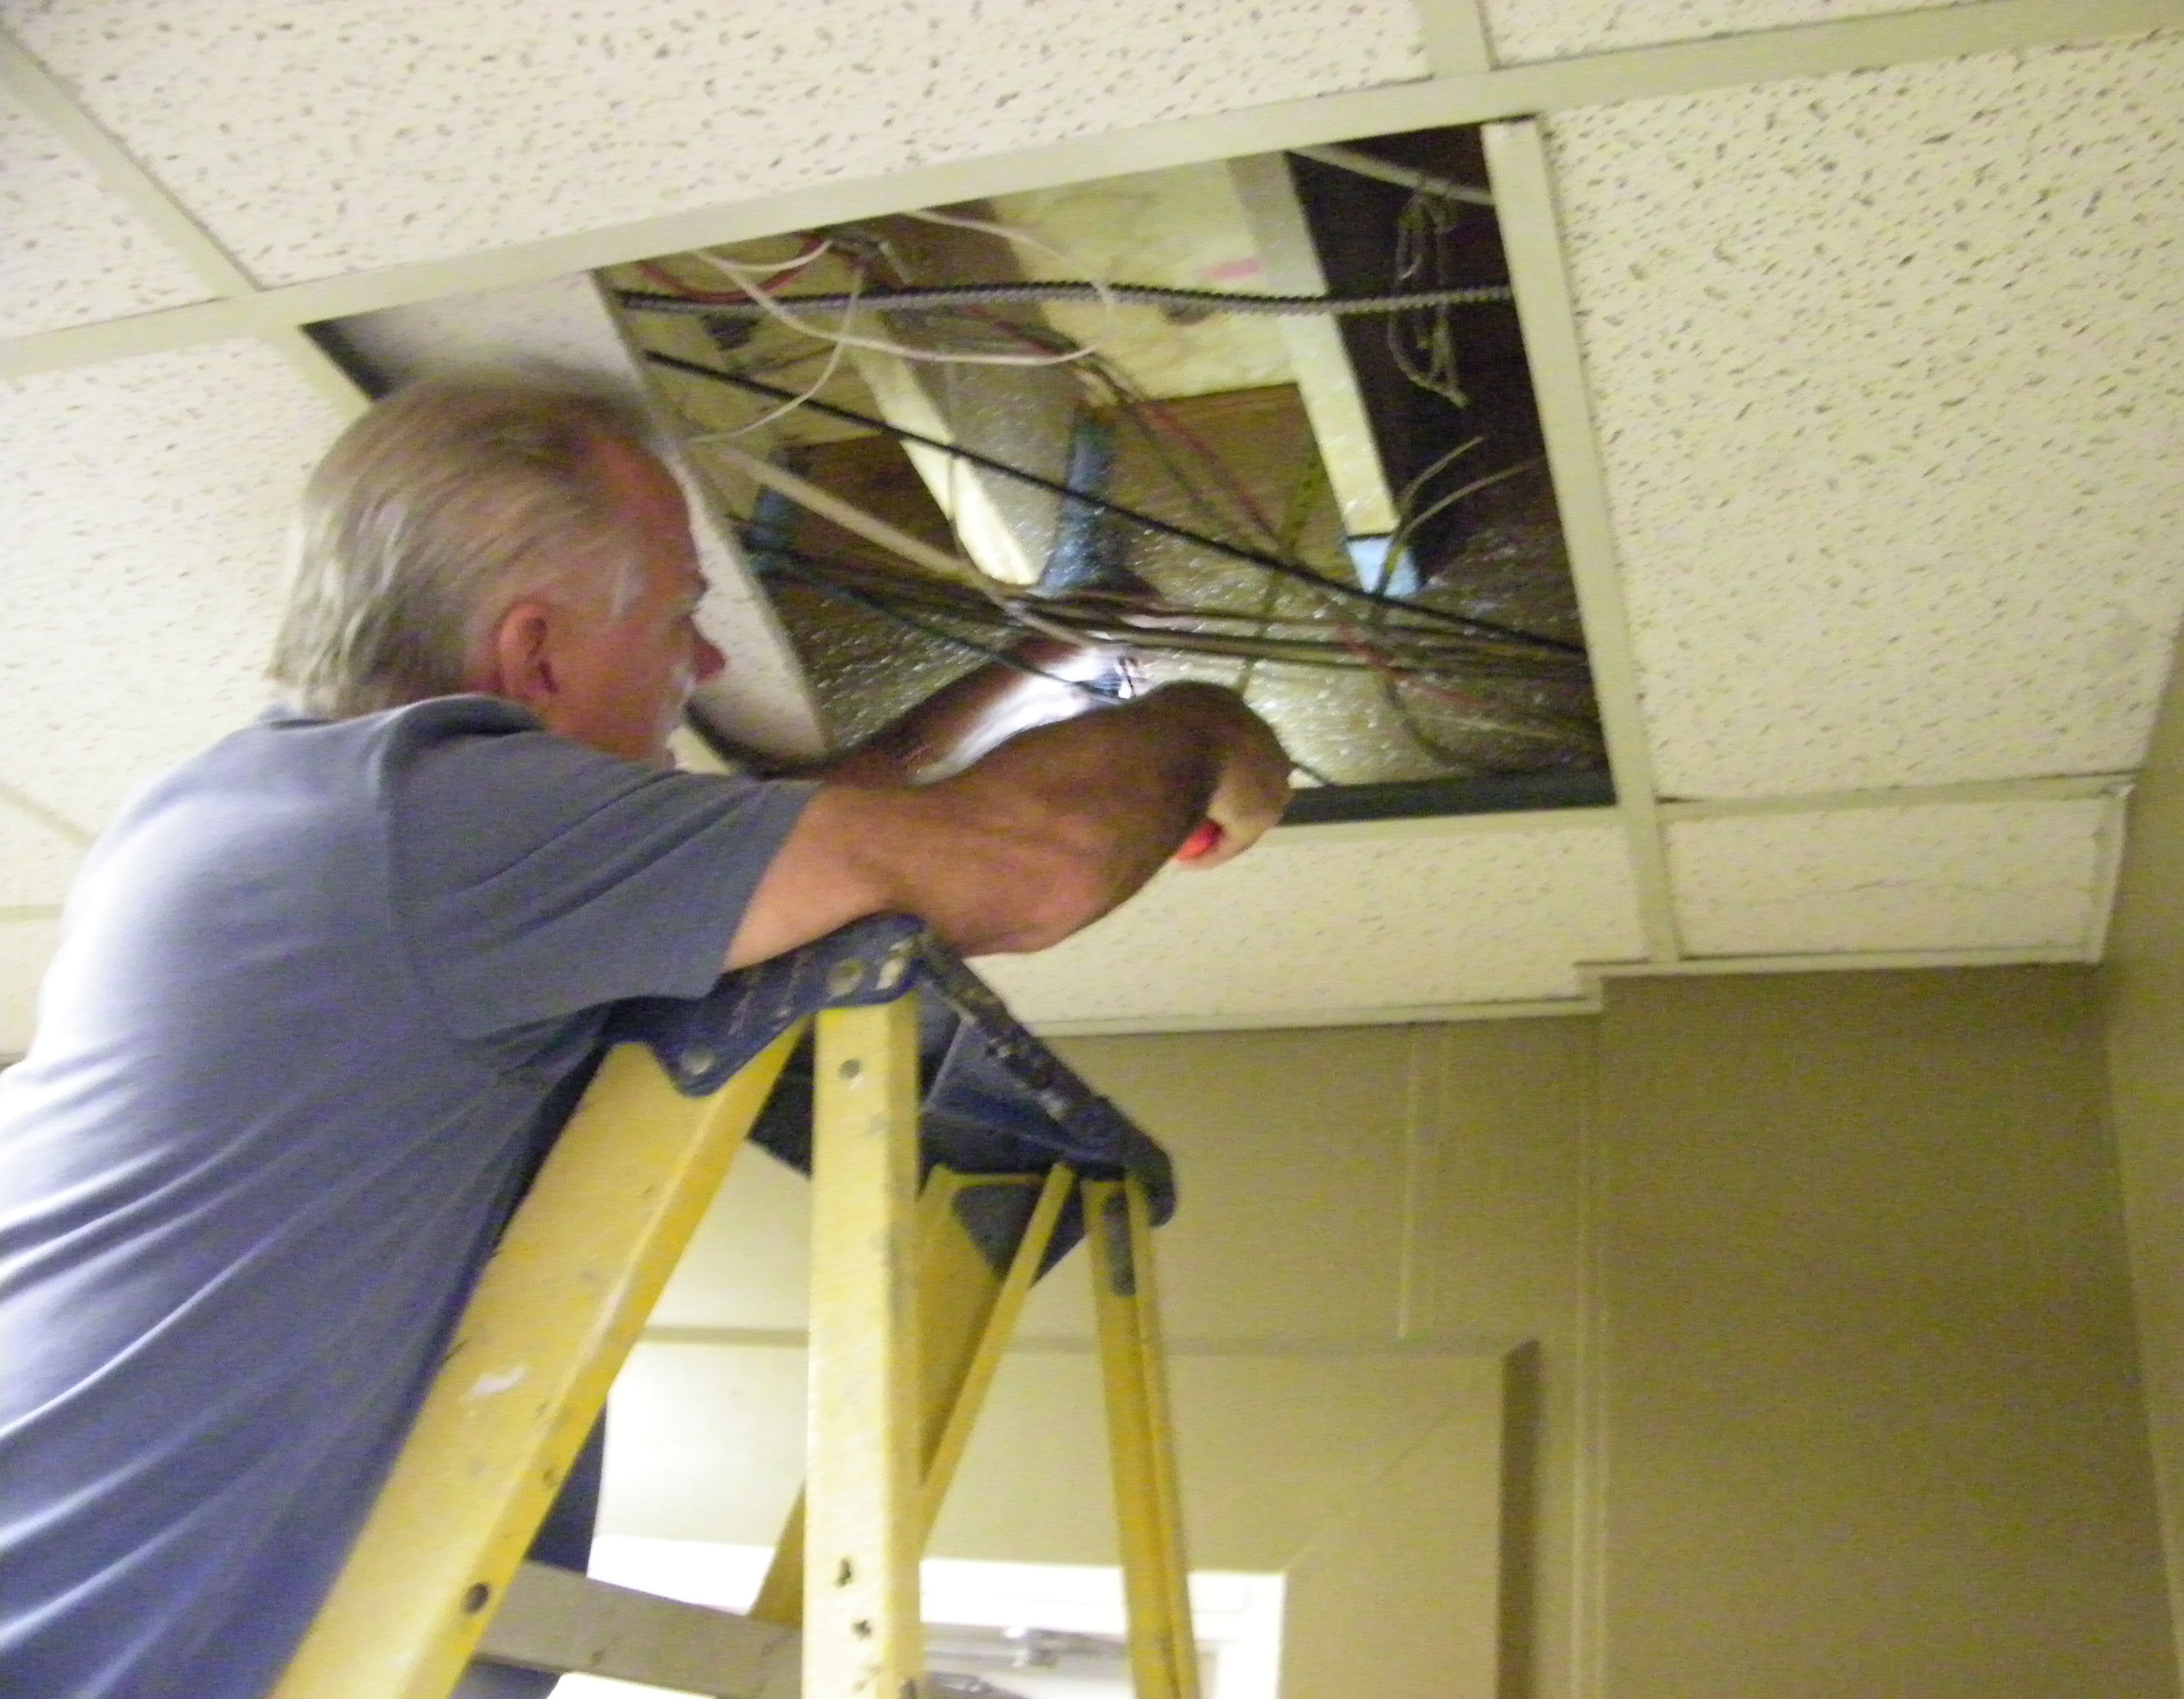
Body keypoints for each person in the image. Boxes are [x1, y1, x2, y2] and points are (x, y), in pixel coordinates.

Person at [0, 370, 1291, 1699]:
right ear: (537, 655)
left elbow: (784, 839)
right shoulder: (428, 822)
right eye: (684, 615)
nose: (710, 665)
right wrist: (1205, 728)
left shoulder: (309, 824)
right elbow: (1030, 861)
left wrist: (1027, 669)